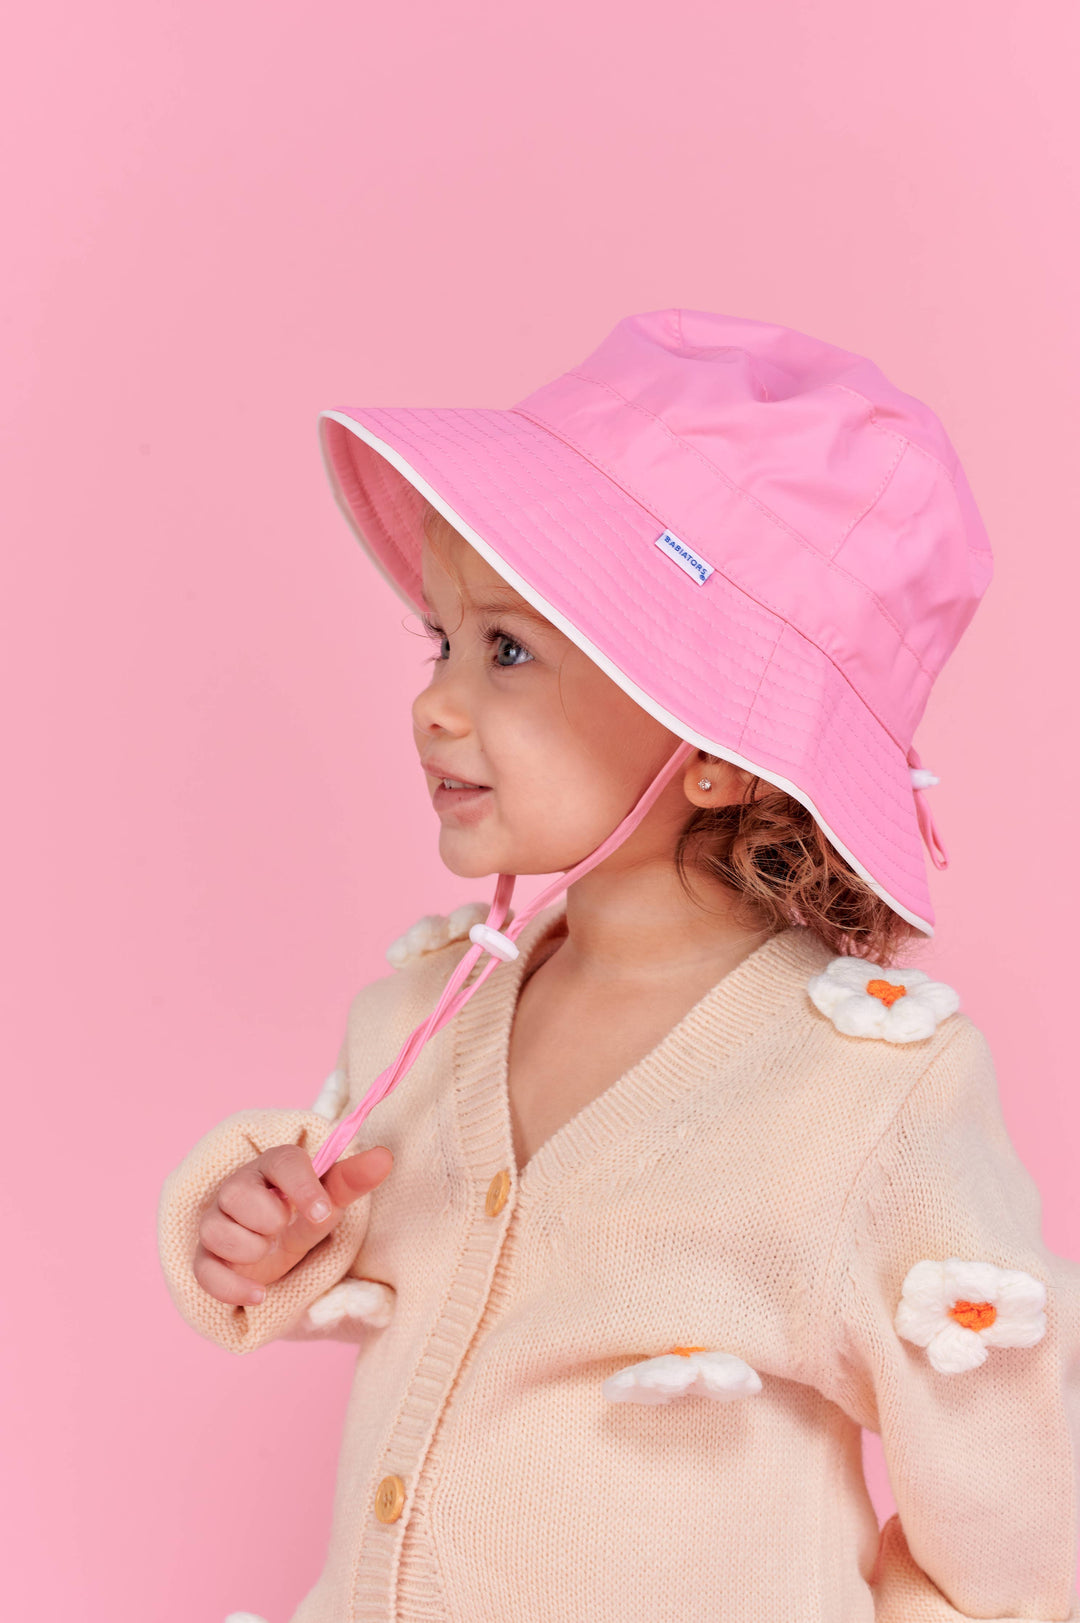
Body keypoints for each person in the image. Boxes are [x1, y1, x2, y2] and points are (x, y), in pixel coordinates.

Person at [157, 309, 1080, 1623]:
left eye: (509, 650)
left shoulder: (868, 1096)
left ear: (714, 748)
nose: (434, 702)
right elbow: (328, 1241)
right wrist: (259, 1235)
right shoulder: (422, 1014)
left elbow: (1018, 1532)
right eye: (442, 640)